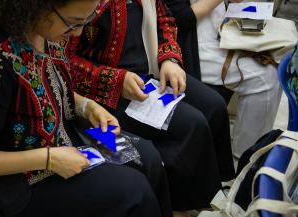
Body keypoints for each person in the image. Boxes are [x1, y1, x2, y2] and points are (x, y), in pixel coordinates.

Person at [0, 1, 173, 217]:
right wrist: (49, 158)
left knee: (148, 159)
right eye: (73, 23)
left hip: (65, 140)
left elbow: (45, 85)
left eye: (84, 22)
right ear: (37, 7)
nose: (77, 34)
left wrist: (85, 106)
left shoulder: (48, 34)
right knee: (134, 192)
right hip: (18, 179)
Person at [66, 0, 236, 213]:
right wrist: (116, 79)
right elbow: (66, 62)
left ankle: (216, 190)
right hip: (108, 92)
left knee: (214, 107)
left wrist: (170, 60)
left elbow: (165, 20)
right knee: (192, 124)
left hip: (152, 71)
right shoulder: (80, 8)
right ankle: (185, 203)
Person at [196, 3, 282, 158]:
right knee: (265, 79)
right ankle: (246, 156)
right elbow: (179, 16)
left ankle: (251, 149)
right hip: (191, 46)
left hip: (219, 31)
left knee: (276, 66)